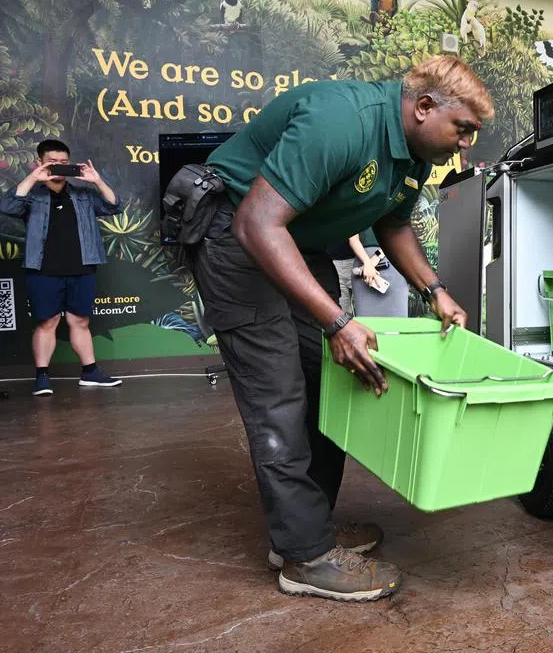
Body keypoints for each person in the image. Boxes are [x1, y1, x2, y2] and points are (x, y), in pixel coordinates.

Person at [175, 55, 492, 602]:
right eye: (462, 128)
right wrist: (338, 321)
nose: (467, 143)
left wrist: (434, 291)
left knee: (330, 385)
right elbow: (257, 222)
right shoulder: (342, 120)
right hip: (235, 235)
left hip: (295, 243)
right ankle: (306, 558)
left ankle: (304, 528)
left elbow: (393, 223)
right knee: (278, 397)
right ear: (423, 107)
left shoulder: (415, 155)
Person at [0, 139, 123, 395]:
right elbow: (7, 206)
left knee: (80, 321)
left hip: (82, 266)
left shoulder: (83, 195)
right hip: (42, 268)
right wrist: (34, 177)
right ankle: (42, 378)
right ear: (39, 162)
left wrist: (96, 180)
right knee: (47, 322)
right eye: (52, 162)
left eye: (63, 163)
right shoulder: (32, 196)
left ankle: (90, 373)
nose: (58, 167)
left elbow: (114, 205)